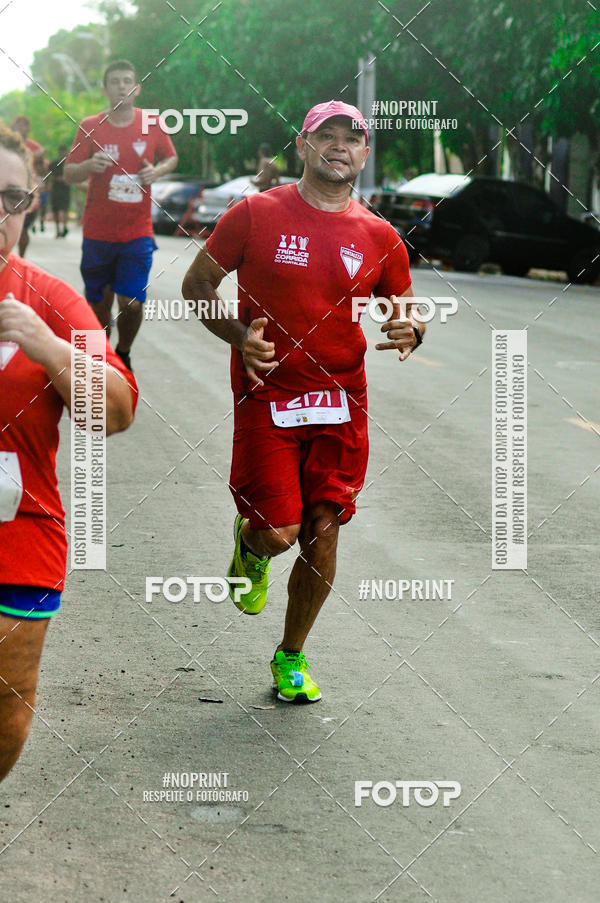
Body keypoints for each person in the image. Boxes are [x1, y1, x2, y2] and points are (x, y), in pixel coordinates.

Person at [182, 100, 424, 704]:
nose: (340, 146)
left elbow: (406, 311)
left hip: (343, 403)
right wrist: (238, 337)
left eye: (353, 138)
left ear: (365, 154)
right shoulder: (254, 214)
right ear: (303, 145)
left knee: (324, 530)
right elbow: (196, 284)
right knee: (281, 532)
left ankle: (291, 656)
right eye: (327, 136)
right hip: (269, 397)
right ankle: (250, 543)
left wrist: (411, 330)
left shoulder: (380, 236)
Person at [0, 122, 138, 782]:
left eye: (11, 198)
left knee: (6, 710)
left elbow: (114, 412)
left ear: (30, 206)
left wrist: (48, 347)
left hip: (19, 534)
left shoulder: (51, 302)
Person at [64, 59, 178, 371]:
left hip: (137, 232)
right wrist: (88, 166)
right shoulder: (89, 126)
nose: (121, 86)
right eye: (115, 81)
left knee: (131, 302)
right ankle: (103, 356)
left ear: (136, 88)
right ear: (105, 89)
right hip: (98, 233)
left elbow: (171, 158)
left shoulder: (152, 123)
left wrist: (156, 171)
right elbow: (68, 173)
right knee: (99, 306)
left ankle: (123, 351)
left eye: (127, 81)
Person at [10, 116, 44, 257]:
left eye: (24, 125)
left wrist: (38, 158)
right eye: (18, 124)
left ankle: (21, 258)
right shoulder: (6, 144)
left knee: (24, 229)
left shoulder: (36, 148)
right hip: (9, 192)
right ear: (13, 126)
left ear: (28, 128)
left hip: (28, 192)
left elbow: (42, 170)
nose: (21, 127)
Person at [49, 144, 71, 238]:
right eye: (61, 151)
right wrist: (58, 179)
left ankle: (65, 227)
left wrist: (67, 180)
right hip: (56, 189)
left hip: (65, 189)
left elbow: (72, 176)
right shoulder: (53, 164)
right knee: (56, 210)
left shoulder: (69, 164)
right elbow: (49, 176)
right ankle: (58, 229)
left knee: (65, 209)